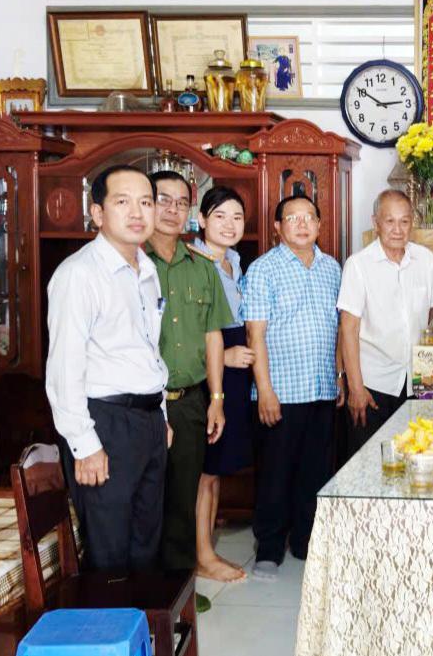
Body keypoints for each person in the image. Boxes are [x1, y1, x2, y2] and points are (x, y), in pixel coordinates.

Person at [45, 165, 170, 570]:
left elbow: (148, 349)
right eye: (123, 202)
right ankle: (107, 615)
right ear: (97, 213)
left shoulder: (146, 269)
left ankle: (140, 615)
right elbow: (64, 368)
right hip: (105, 423)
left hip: (147, 422)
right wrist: (85, 445)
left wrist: (161, 414)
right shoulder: (79, 274)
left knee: (146, 545)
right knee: (109, 551)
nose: (137, 212)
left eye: (146, 202)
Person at [243, 194, 343, 581]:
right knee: (275, 473)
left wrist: (338, 377)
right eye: (292, 218)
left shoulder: (331, 267)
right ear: (277, 227)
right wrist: (265, 390)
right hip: (281, 391)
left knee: (315, 472)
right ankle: (269, 548)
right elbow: (255, 334)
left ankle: (305, 543)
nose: (301, 225)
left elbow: (339, 328)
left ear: (319, 225)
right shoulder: (263, 269)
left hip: (321, 387)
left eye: (308, 218)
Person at [146, 171, 231, 579]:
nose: (172, 210)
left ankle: (176, 597)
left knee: (183, 500)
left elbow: (213, 336)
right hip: (143, 406)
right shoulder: (132, 264)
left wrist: (216, 399)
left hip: (190, 401)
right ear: (147, 204)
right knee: (144, 500)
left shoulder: (202, 267)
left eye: (182, 203)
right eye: (163, 200)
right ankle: (142, 593)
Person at [338, 189, 433, 458]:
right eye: (390, 221)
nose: (397, 229)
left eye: (404, 221)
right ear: (375, 223)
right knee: (368, 462)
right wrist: (356, 387)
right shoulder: (358, 265)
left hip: (418, 382)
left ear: (412, 223)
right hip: (374, 384)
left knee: (416, 457)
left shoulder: (425, 259)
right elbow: (348, 329)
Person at [192, 186, 255, 583]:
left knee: (216, 468)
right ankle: (201, 554)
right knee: (205, 470)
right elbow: (183, 334)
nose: (229, 225)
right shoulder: (195, 264)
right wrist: (224, 356)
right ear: (201, 220)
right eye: (219, 216)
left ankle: (207, 547)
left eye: (237, 217)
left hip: (234, 371)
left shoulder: (233, 261)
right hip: (210, 371)